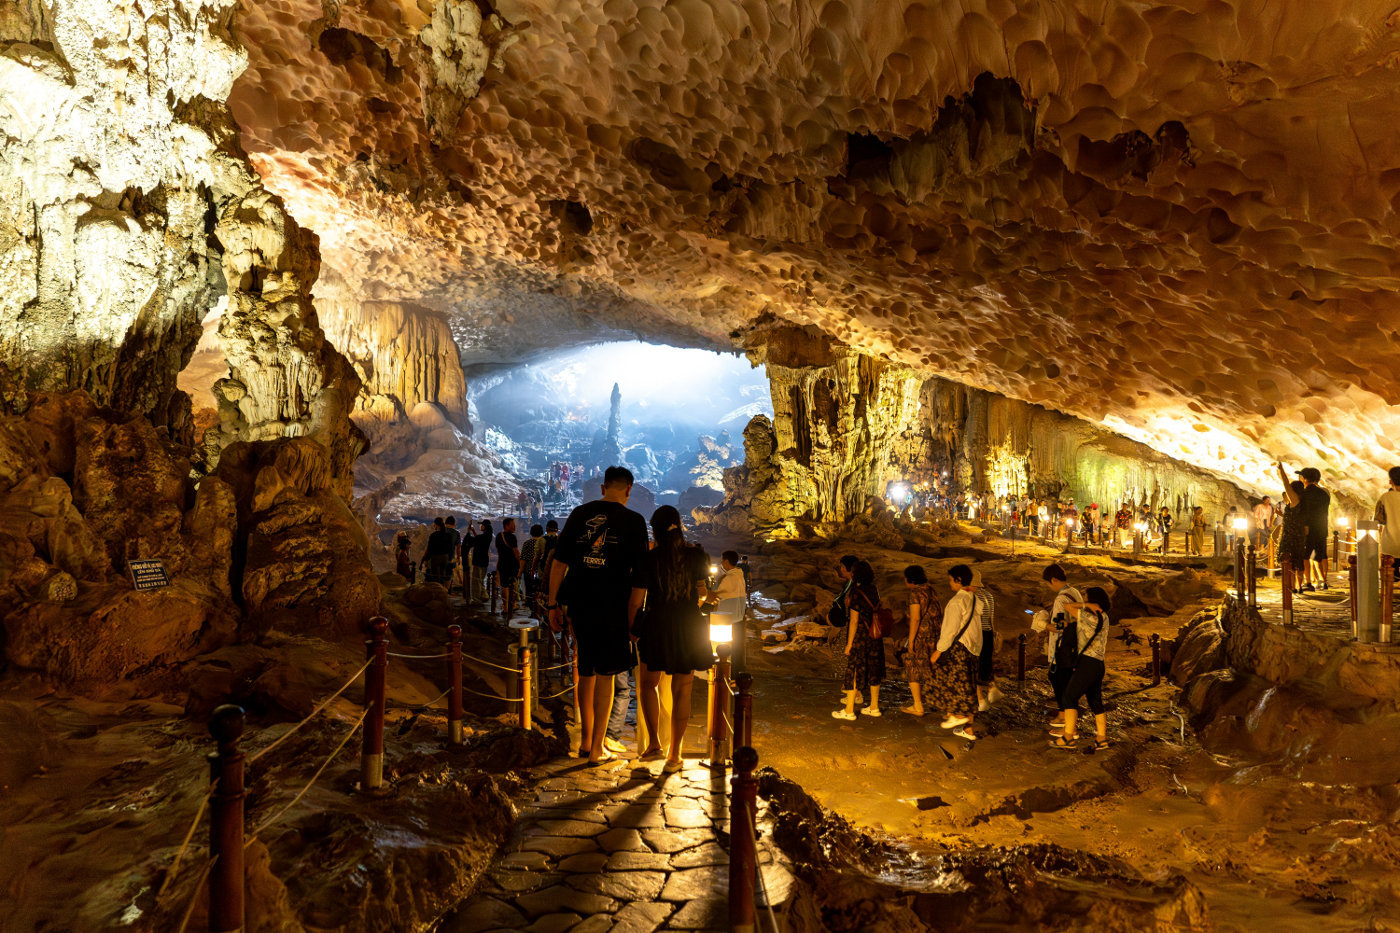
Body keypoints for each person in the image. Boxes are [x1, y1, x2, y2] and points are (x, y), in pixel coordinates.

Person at [547, 466, 649, 765]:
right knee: (607, 676)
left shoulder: (580, 514)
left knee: (586, 670)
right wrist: (634, 618)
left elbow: (557, 564)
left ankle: (586, 740)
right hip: (614, 609)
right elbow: (640, 578)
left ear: (603, 488)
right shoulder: (634, 521)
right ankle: (596, 750)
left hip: (580, 606)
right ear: (629, 490)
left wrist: (553, 605)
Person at [635, 505, 714, 771]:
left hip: (657, 623)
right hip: (689, 624)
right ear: (679, 526)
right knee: (682, 689)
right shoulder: (696, 556)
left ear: (655, 531)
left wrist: (632, 630)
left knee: (648, 684)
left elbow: (636, 601)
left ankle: (654, 743)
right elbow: (702, 593)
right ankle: (675, 755)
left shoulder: (649, 559)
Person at [1049, 586, 1112, 750]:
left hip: (1087, 663)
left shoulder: (1086, 615)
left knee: (1069, 697)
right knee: (1095, 701)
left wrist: (1086, 606)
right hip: (1099, 664)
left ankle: (1068, 737)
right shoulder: (1104, 617)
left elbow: (1068, 607)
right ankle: (1101, 739)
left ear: (1093, 600)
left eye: (1085, 596)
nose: (1083, 598)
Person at [925, 563, 982, 739]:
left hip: (959, 649)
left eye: (951, 580)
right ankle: (968, 729)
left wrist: (938, 651)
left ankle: (958, 716)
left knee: (956, 685)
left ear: (958, 580)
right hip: (973, 649)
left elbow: (949, 630)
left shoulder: (956, 602)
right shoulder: (974, 599)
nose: (949, 583)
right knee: (969, 686)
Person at [1032, 563, 1082, 728]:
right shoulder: (1074, 592)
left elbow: (1060, 626)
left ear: (1053, 580)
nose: (1048, 586)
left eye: (1048, 583)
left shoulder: (1061, 599)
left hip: (1062, 647)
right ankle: (1066, 714)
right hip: (1075, 643)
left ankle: (1064, 717)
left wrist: (1041, 623)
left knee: (1058, 678)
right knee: (1065, 679)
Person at [834, 560, 885, 720]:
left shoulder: (857, 592)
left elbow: (854, 621)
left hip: (861, 637)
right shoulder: (873, 589)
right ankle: (874, 707)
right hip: (874, 635)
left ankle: (849, 710)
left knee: (854, 671)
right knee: (873, 669)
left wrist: (849, 644)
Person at [899, 565, 942, 717]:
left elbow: (916, 618)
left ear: (909, 579)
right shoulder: (931, 590)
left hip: (922, 636)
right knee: (933, 667)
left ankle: (918, 705)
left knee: (912, 667)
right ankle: (941, 704)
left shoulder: (915, 593)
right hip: (936, 635)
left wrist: (910, 641)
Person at [1294, 466, 1331, 592]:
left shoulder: (1304, 494)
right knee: (1319, 555)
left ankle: (1308, 582)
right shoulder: (1324, 494)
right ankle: (1323, 581)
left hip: (1308, 528)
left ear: (1304, 479)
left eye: (1301, 477)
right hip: (1321, 528)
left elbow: (1303, 512)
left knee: (1305, 555)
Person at [970, 569, 1001, 712]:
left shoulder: (973, 597)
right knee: (985, 662)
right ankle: (992, 688)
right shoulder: (988, 595)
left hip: (977, 633)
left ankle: (981, 700)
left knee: (973, 665)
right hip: (988, 632)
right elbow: (991, 616)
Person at [711, 550, 748, 673]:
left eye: (722, 560)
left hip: (726, 619)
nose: (721, 563)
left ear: (726, 561)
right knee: (736, 649)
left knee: (724, 650)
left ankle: (725, 675)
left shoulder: (728, 578)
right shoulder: (740, 575)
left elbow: (714, 594)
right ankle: (735, 674)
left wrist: (718, 580)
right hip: (738, 618)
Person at [1275, 467, 1308, 592]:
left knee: (1290, 560)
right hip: (1298, 532)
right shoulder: (1303, 502)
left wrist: (1281, 470)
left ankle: (1292, 586)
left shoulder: (1295, 500)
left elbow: (1286, 484)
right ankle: (1299, 586)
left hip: (1291, 533)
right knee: (1298, 560)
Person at [1374, 467, 1400, 578]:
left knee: (1389, 582)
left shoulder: (1385, 497)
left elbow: (1378, 519)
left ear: (1391, 481)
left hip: (1390, 547)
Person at [495, 517, 522, 616]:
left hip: (502, 564)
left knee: (504, 586)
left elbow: (498, 551)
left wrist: (498, 564)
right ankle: (512, 604)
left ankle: (505, 607)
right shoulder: (512, 537)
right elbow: (516, 552)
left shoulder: (498, 536)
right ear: (506, 526)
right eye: (513, 526)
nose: (515, 527)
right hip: (512, 565)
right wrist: (521, 563)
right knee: (513, 585)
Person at [519, 524, 547, 617]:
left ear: (530, 532)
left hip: (528, 571)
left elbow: (523, 558)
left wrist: (520, 571)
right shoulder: (545, 542)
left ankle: (533, 611)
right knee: (541, 592)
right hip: (542, 572)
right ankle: (542, 611)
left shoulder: (528, 543)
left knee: (530, 591)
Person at [421, 517, 455, 585]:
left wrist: (426, 559)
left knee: (435, 577)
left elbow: (430, 548)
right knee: (443, 576)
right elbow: (451, 548)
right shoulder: (447, 535)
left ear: (435, 524)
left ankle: (437, 591)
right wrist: (450, 558)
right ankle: (442, 590)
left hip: (436, 558)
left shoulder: (433, 536)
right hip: (445, 558)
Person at [469, 520, 492, 603]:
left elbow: (477, 540)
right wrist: (473, 530)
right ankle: (484, 595)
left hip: (479, 560)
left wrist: (470, 532)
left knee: (477, 581)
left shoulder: (485, 537)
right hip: (484, 560)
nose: (480, 526)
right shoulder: (487, 536)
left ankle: (476, 599)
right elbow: (478, 539)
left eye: (481, 525)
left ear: (485, 526)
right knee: (481, 580)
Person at [444, 516, 463, 593]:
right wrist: (458, 558)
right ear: (453, 523)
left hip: (438, 557)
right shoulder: (456, 533)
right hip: (450, 558)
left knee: (439, 575)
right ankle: (446, 592)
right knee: (448, 575)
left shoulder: (442, 530)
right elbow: (458, 547)